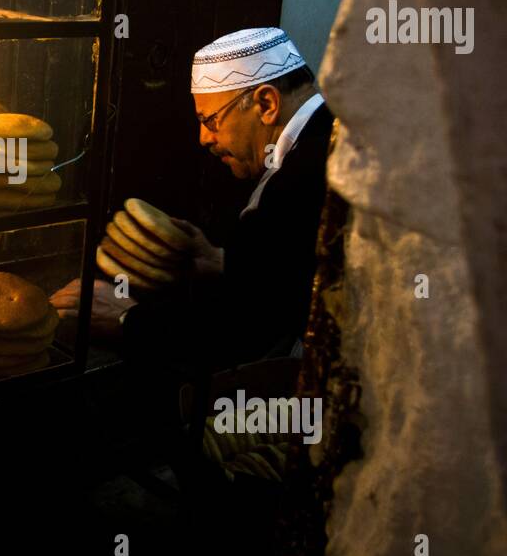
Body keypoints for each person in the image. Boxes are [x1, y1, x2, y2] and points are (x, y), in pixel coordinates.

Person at [52, 27, 334, 377]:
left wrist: (124, 317)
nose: (204, 138)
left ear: (266, 104)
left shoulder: (302, 178)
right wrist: (218, 261)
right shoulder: (328, 134)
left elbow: (242, 330)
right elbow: (285, 275)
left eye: (210, 121)